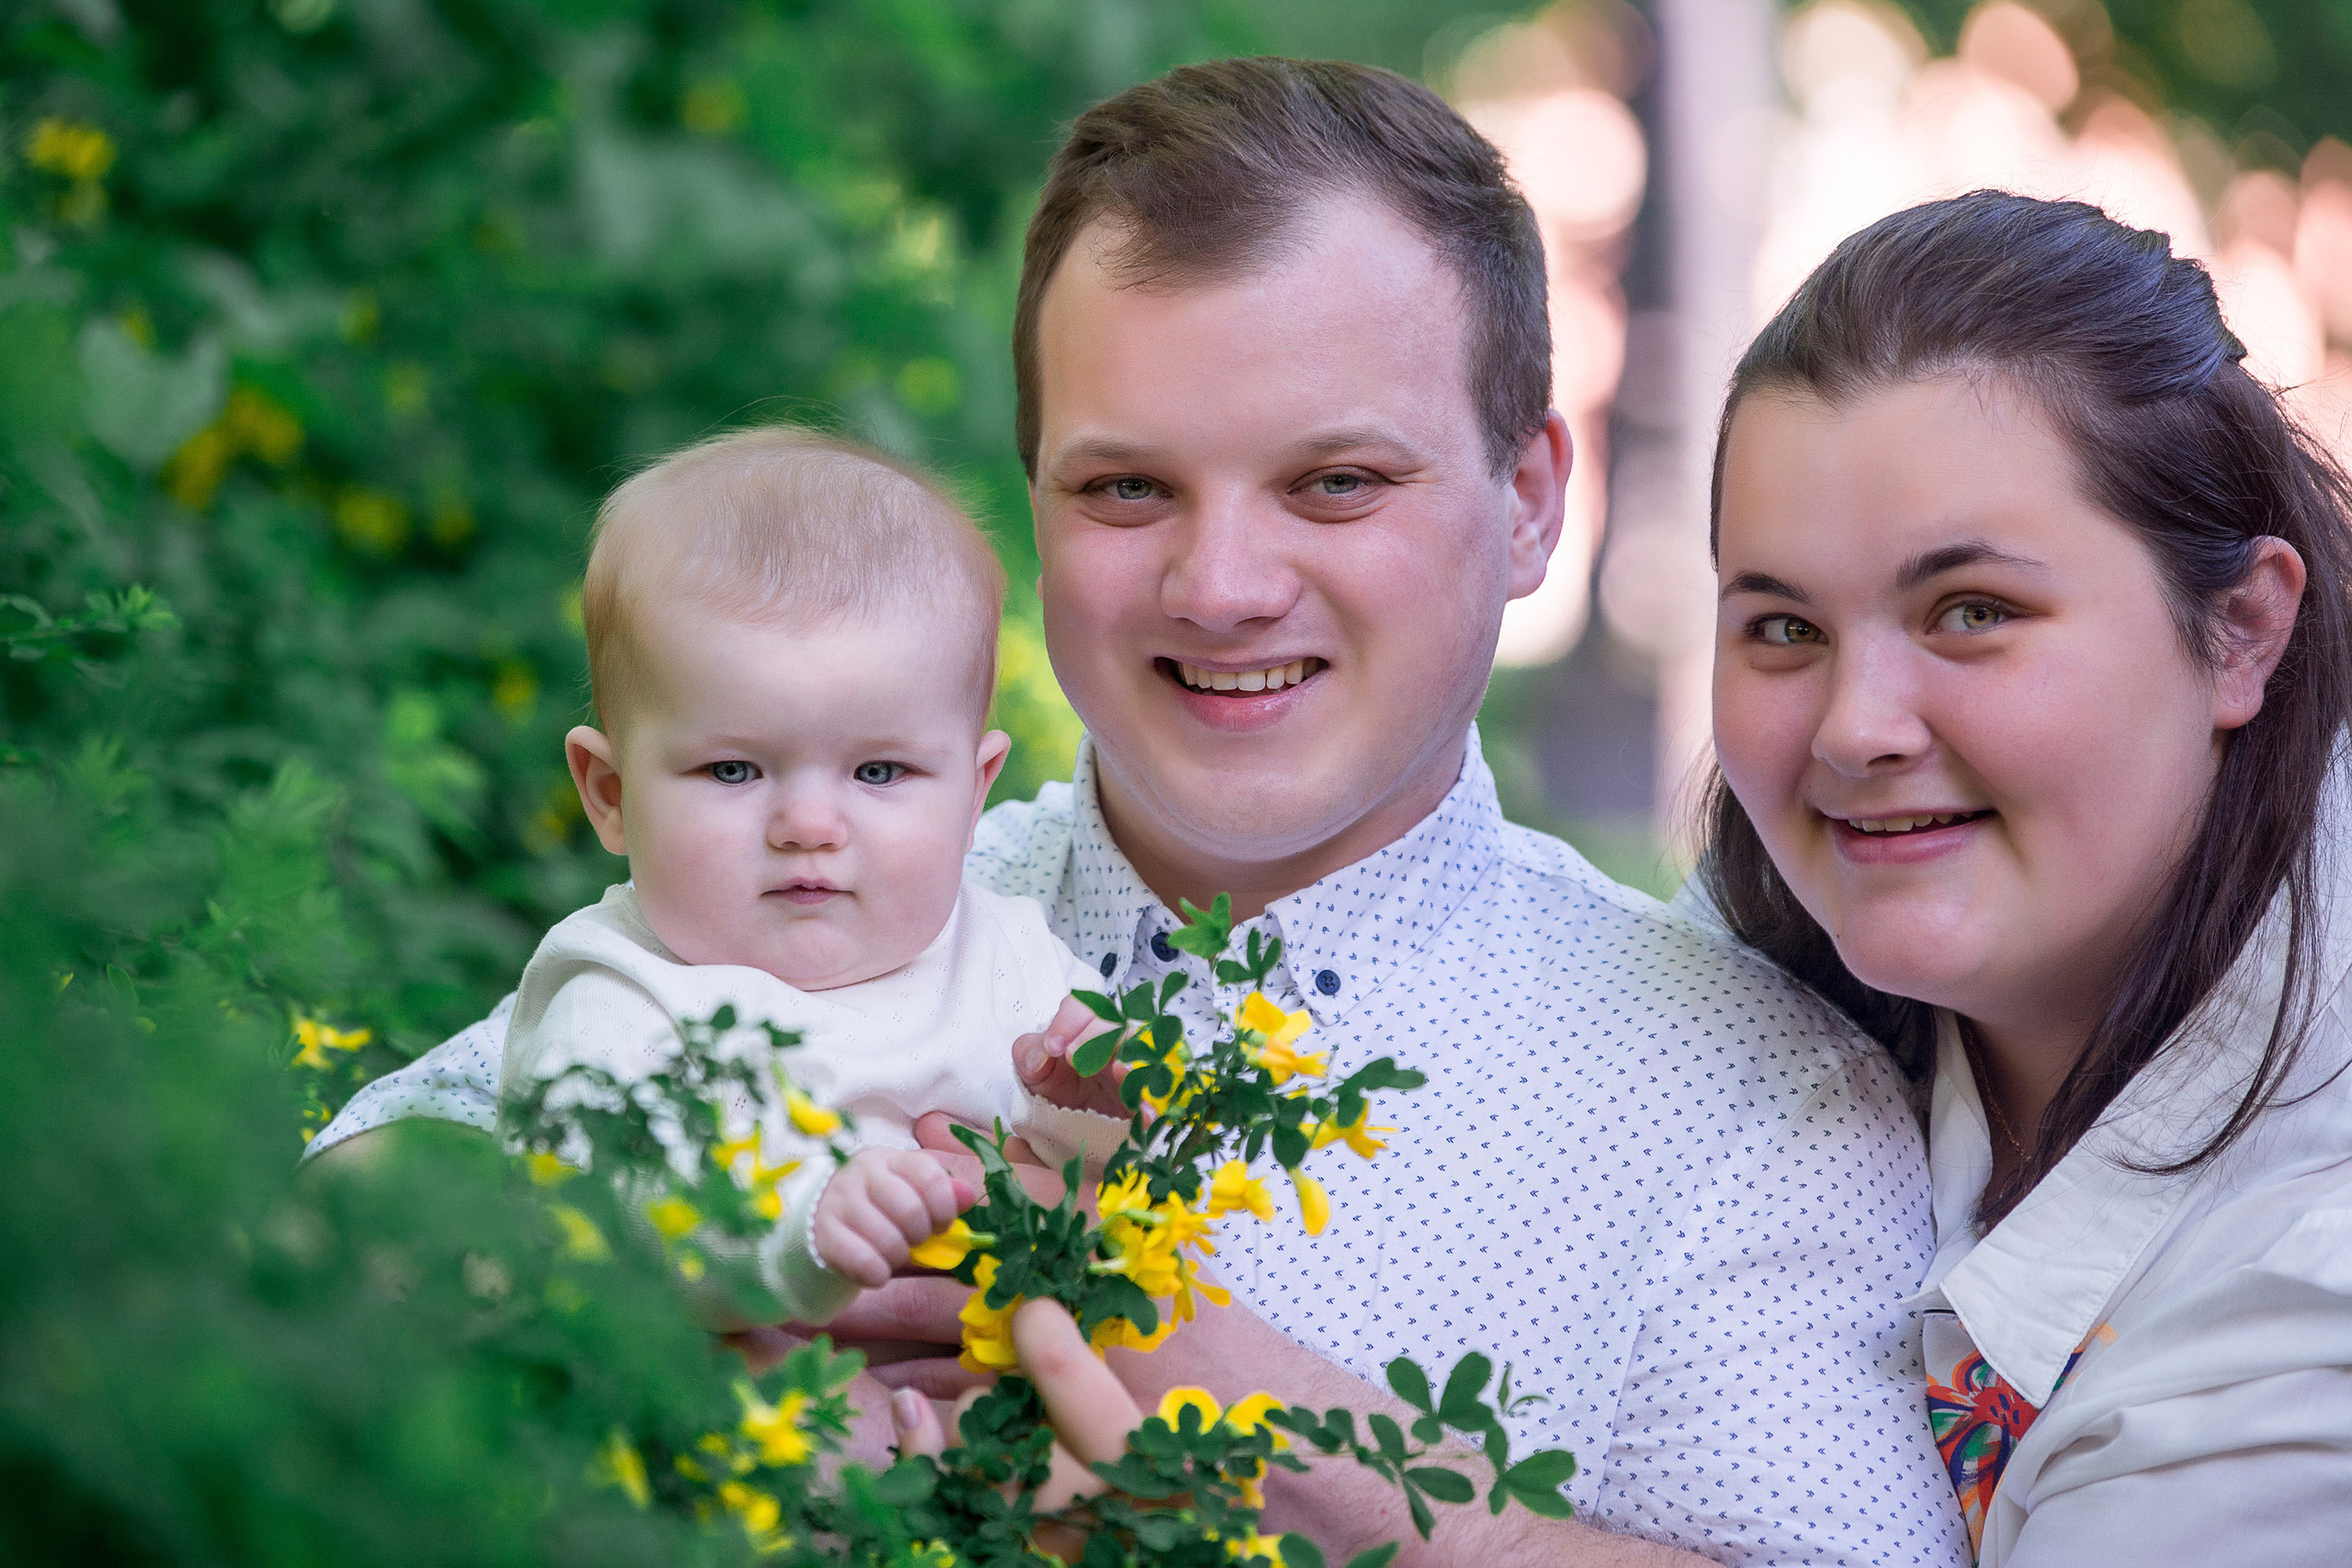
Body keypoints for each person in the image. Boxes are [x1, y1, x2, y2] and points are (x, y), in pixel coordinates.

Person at [311, 59, 1964, 1566]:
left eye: (1335, 481)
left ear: (1530, 500)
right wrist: (657, 1296)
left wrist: (1323, 1470)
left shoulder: (1753, 1104)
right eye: (1126, 488)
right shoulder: (808, 897)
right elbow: (304, 1248)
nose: (1222, 584)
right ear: (1035, 502)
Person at [1698, 190, 2352, 1566]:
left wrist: (1410, 1516)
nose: (1853, 725)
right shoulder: (1713, 1004)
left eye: (1973, 612)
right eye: (1782, 625)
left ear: (2239, 631)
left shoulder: (2318, 1254)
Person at [356, 426, 1122, 1320]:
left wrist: (1100, 1107)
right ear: (609, 794)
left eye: (878, 772)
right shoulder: (626, 997)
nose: (807, 826)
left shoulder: (1008, 955)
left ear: (971, 793)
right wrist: (799, 1231)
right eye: (733, 771)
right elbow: (604, 1202)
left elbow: (1098, 1174)